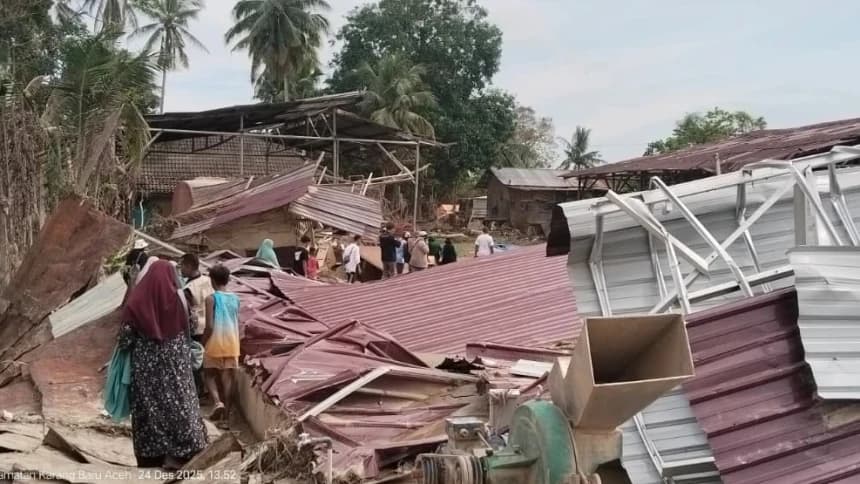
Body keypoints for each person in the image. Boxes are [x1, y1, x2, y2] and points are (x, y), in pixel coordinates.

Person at [118, 260, 207, 469]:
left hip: (146, 369)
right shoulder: (181, 301)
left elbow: (124, 339)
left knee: (148, 408)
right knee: (180, 402)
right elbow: (193, 326)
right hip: (177, 365)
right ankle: (183, 451)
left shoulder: (137, 301)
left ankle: (151, 455)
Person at [203, 265, 241, 426]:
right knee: (228, 379)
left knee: (208, 374)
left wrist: (203, 341)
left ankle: (218, 402)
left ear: (212, 280)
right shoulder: (235, 298)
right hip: (232, 342)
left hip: (215, 342)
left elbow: (210, 326)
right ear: (228, 279)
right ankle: (226, 418)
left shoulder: (211, 299)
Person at [179, 254, 213, 397]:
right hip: (212, 324)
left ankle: (198, 392)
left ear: (189, 266)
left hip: (196, 328)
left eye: (182, 266)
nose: (181, 269)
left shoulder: (188, 288)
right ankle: (206, 391)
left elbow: (186, 310)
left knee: (195, 361)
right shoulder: (208, 280)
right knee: (207, 361)